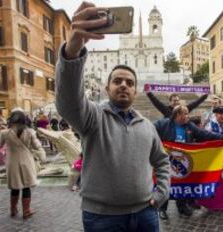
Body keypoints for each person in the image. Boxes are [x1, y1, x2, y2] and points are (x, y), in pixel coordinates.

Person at [56, 2, 170, 231]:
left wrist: (161, 193)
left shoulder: (147, 126)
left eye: (129, 83)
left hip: (146, 213)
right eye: (117, 81)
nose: (124, 86)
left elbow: (162, 160)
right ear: (107, 88)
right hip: (102, 218)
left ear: (135, 91)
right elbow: (68, 103)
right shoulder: (92, 117)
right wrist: (72, 50)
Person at [154, 105, 223, 219]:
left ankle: (182, 207)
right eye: (185, 113)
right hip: (167, 160)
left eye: (187, 113)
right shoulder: (164, 124)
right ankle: (162, 208)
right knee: (166, 184)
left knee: (182, 183)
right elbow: (151, 131)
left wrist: (221, 137)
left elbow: (204, 134)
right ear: (177, 115)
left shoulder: (189, 126)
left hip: (183, 161)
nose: (188, 116)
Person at [0, 110, 45, 219]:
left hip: (12, 163)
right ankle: (26, 211)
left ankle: (13, 209)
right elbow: (37, 145)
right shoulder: (29, 132)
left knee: (15, 187)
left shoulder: (4, 133)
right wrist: (42, 155)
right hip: (26, 162)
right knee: (26, 187)